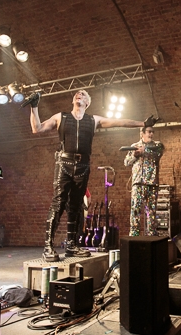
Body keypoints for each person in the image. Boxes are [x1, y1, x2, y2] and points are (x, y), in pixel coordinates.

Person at [26, 89, 156, 261]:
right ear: (73, 100)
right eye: (77, 94)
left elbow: (119, 122)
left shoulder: (94, 120)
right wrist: (34, 107)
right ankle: (48, 246)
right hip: (64, 164)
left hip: (83, 166)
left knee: (76, 206)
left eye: (83, 94)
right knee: (58, 203)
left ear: (87, 103)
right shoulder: (61, 117)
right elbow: (37, 128)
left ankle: (71, 245)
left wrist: (143, 123)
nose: (79, 95)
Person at [124, 126, 164, 236]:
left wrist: (144, 150)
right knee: (135, 210)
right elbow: (126, 162)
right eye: (149, 132)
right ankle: (134, 234)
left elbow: (158, 153)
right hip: (138, 183)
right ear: (142, 133)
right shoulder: (134, 146)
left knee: (151, 211)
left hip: (152, 183)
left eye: (152, 132)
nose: (151, 134)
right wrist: (134, 155)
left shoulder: (157, 145)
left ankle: (151, 234)